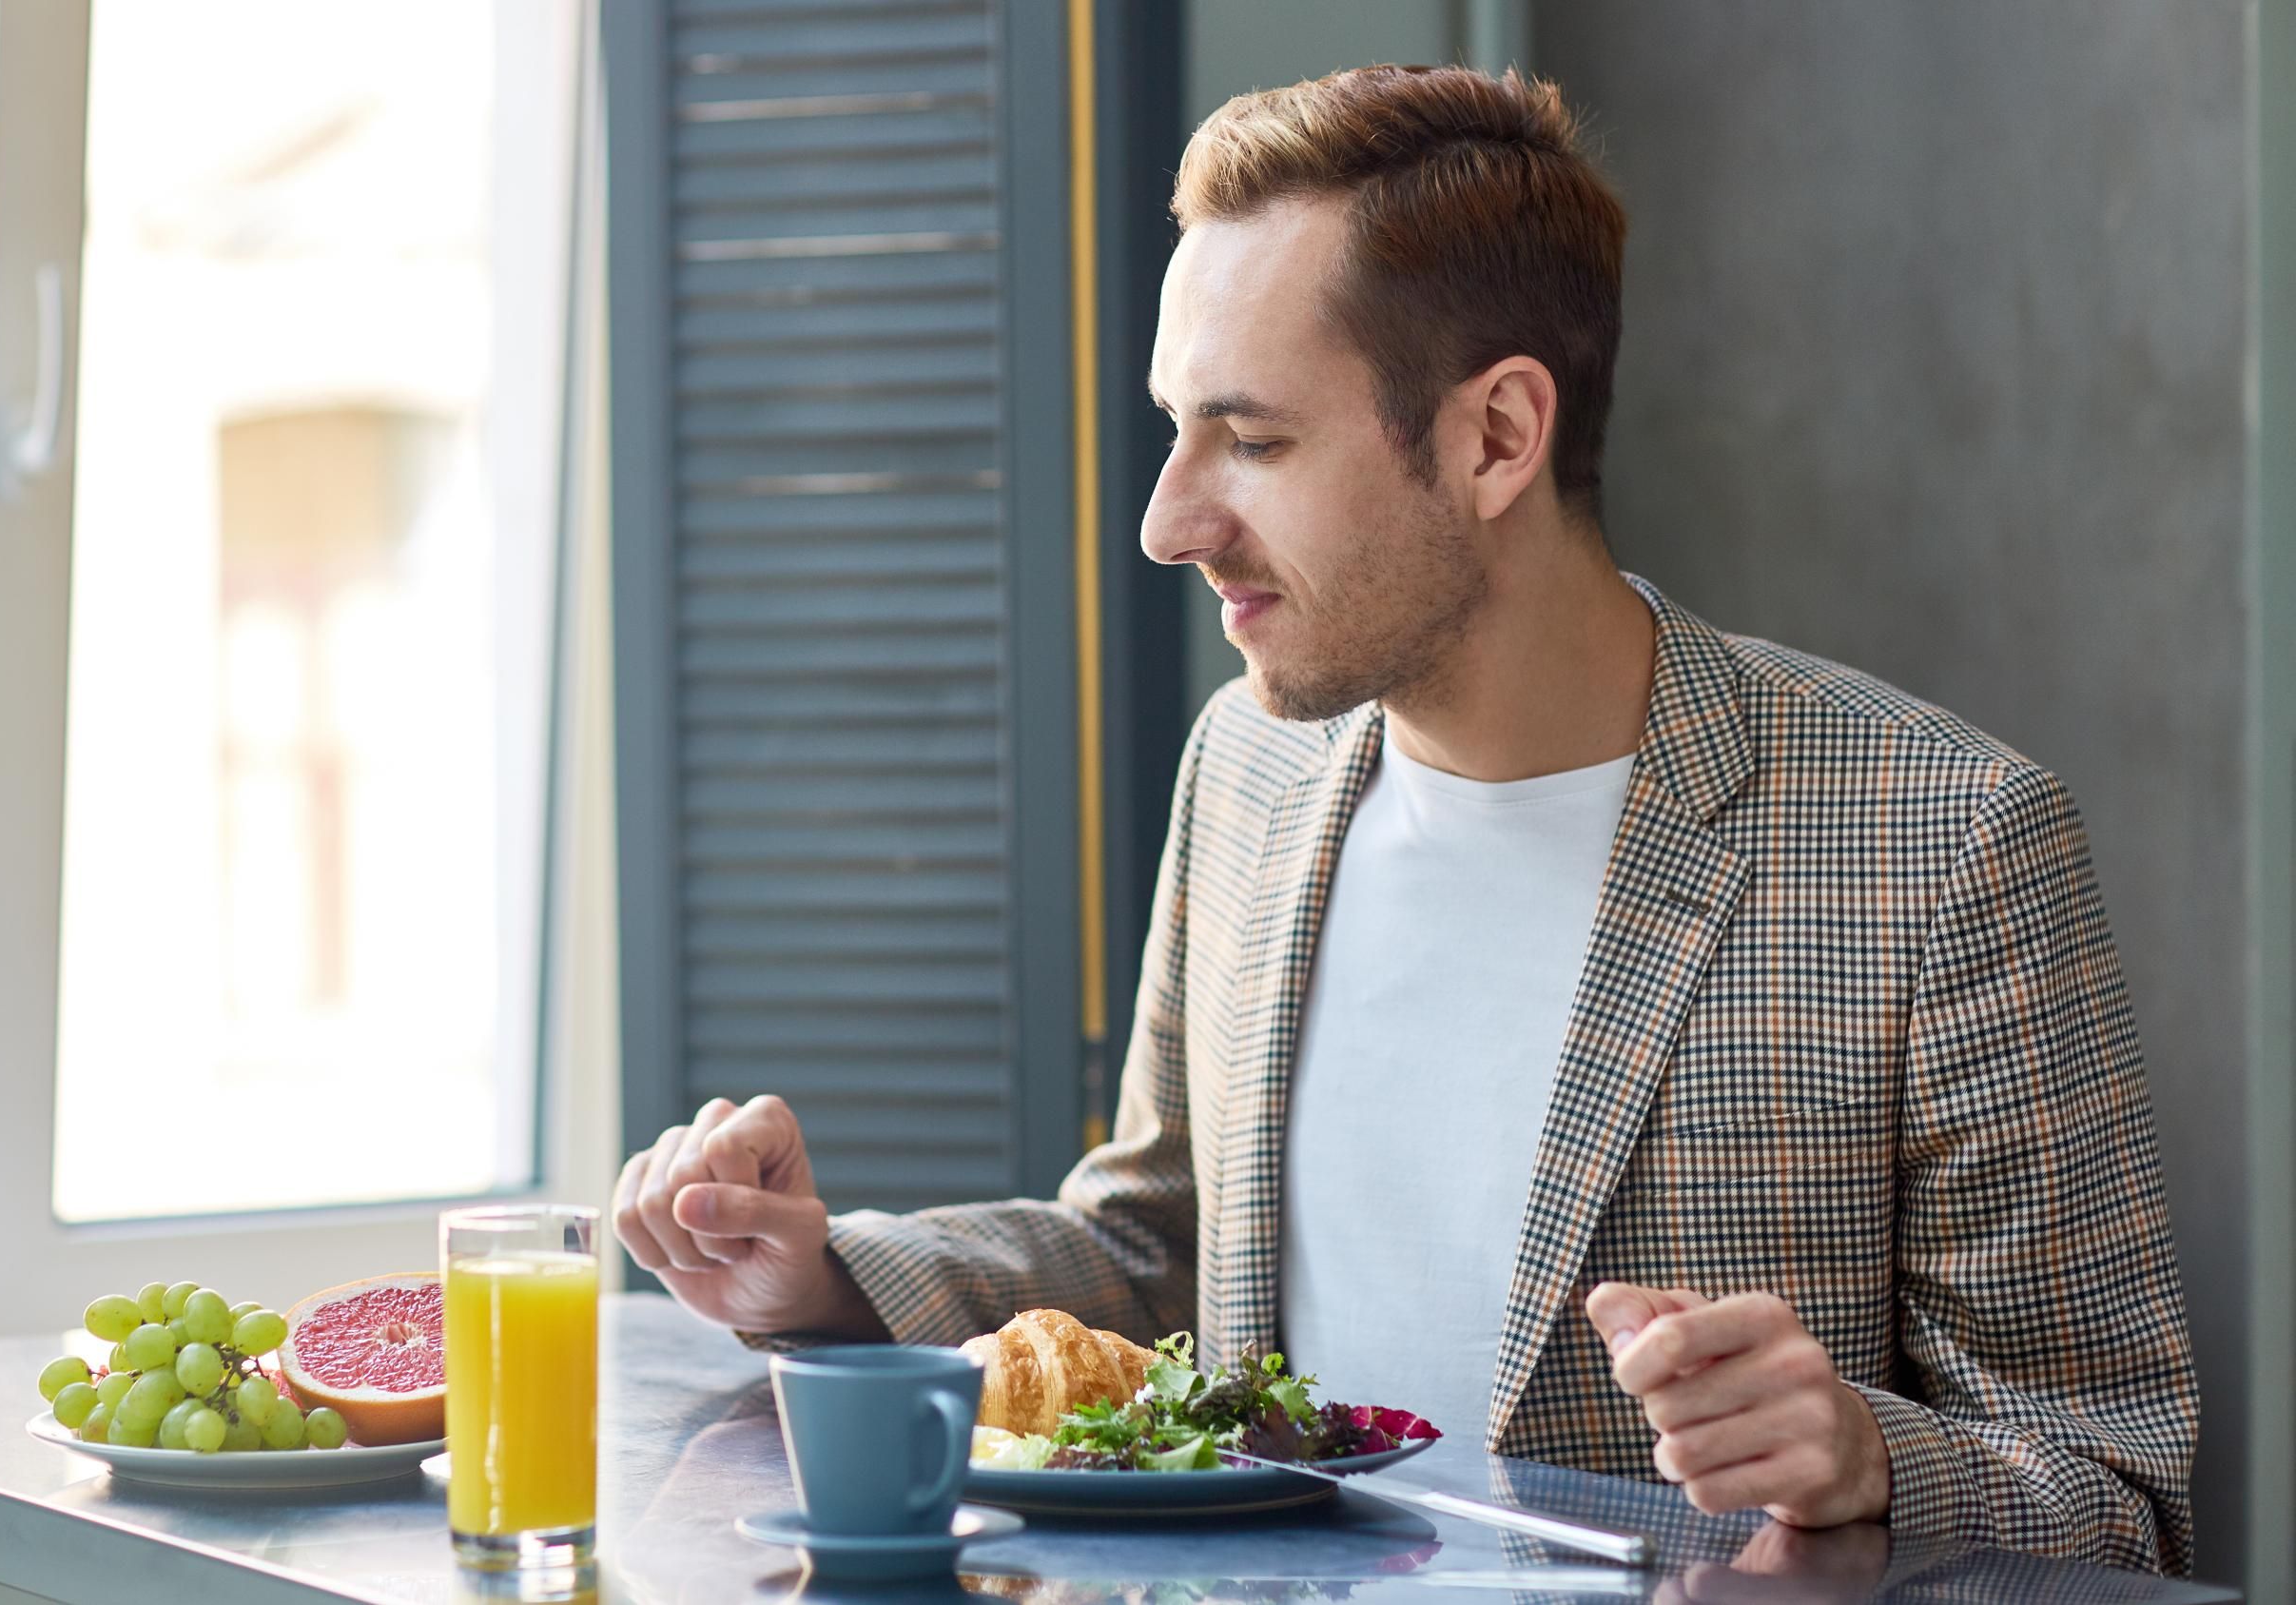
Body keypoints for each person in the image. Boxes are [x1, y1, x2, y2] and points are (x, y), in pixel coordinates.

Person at [613, 65, 2197, 1576]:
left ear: (1497, 436)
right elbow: (1164, 1250)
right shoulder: (1247, 768)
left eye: (1256, 437)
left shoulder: (1945, 845)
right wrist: (821, 1278)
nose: (1170, 520)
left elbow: (2118, 1492)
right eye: (1178, 430)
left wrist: (1863, 1458)